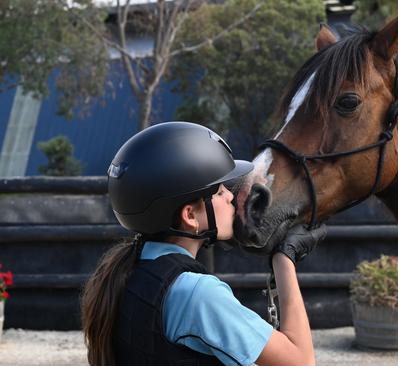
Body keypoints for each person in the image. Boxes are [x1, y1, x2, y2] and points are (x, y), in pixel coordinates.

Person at [81, 121, 326, 366]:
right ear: (189, 216)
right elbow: (300, 361)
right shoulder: (196, 293)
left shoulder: (129, 273)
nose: (230, 196)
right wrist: (284, 259)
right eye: (219, 192)